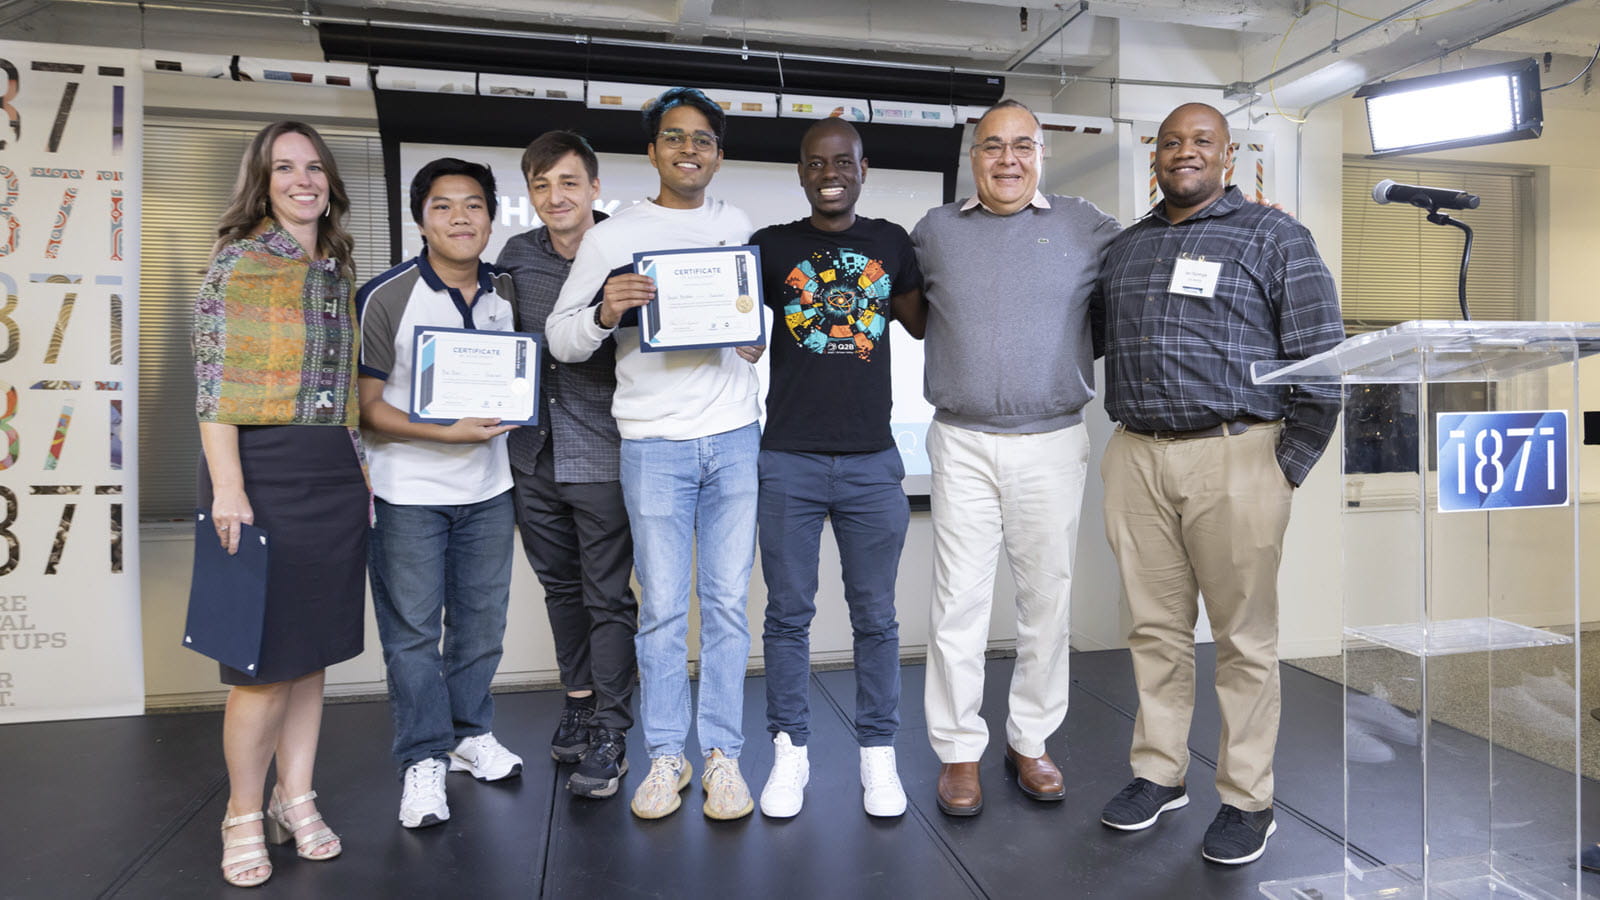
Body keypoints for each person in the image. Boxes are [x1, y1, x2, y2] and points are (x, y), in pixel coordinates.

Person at [1094, 102, 1344, 866]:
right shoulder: (1125, 249)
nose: (1184, 152)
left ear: (1229, 156)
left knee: (1243, 639)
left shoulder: (1275, 236)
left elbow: (1322, 362)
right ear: (1154, 157)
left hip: (1237, 453)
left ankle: (1246, 798)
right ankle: (1160, 773)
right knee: (1155, 631)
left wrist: (1284, 464)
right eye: (1170, 141)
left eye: (1201, 141)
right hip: (1137, 454)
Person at [545, 87, 761, 822]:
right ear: (653, 151)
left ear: (718, 155)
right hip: (652, 445)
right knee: (664, 610)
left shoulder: (737, 223)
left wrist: (754, 331)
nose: (689, 149)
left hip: (734, 435)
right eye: (675, 137)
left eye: (703, 139)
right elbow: (561, 337)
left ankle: (723, 756)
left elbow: (751, 320)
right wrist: (607, 308)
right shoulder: (615, 236)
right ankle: (667, 755)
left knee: (729, 606)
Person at [912, 99, 1120, 817]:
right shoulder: (936, 231)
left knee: (1045, 603)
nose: (1008, 159)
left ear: (1042, 154)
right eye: (992, 146)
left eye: (1022, 146)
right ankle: (959, 752)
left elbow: (1155, 267)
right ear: (973, 158)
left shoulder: (1087, 225)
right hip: (962, 440)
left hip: (1053, 440)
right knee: (956, 609)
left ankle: (1029, 740)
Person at [193, 120, 366, 887]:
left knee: (311, 653)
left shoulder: (336, 266)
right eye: (285, 168)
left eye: (315, 167)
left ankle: (296, 798)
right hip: (259, 473)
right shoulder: (238, 264)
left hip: (330, 471)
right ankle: (241, 811)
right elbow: (213, 388)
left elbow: (340, 387)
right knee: (261, 664)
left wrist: (357, 467)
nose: (304, 180)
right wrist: (228, 487)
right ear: (262, 182)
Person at [749, 118, 922, 819]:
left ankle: (876, 755)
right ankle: (791, 752)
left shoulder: (890, 244)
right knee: (788, 616)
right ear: (801, 172)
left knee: (876, 618)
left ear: (863, 167)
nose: (831, 172)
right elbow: (726, 318)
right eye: (817, 162)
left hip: (873, 462)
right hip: (786, 457)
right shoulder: (770, 248)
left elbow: (923, 320)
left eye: (842, 161)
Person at [356, 158, 523, 830]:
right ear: (420, 218)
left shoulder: (507, 290)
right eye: (444, 206)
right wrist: (445, 432)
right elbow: (366, 405)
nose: (461, 218)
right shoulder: (387, 294)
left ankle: (468, 734)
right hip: (408, 491)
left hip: (490, 488)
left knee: (481, 630)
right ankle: (423, 759)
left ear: (491, 215)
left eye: (474, 205)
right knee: (413, 636)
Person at [495, 131, 637, 800]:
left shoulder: (624, 251)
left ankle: (612, 730)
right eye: (543, 185)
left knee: (608, 596)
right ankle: (579, 700)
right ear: (530, 194)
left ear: (594, 187)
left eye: (569, 183)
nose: (557, 197)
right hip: (532, 451)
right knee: (560, 589)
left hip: (601, 451)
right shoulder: (516, 255)